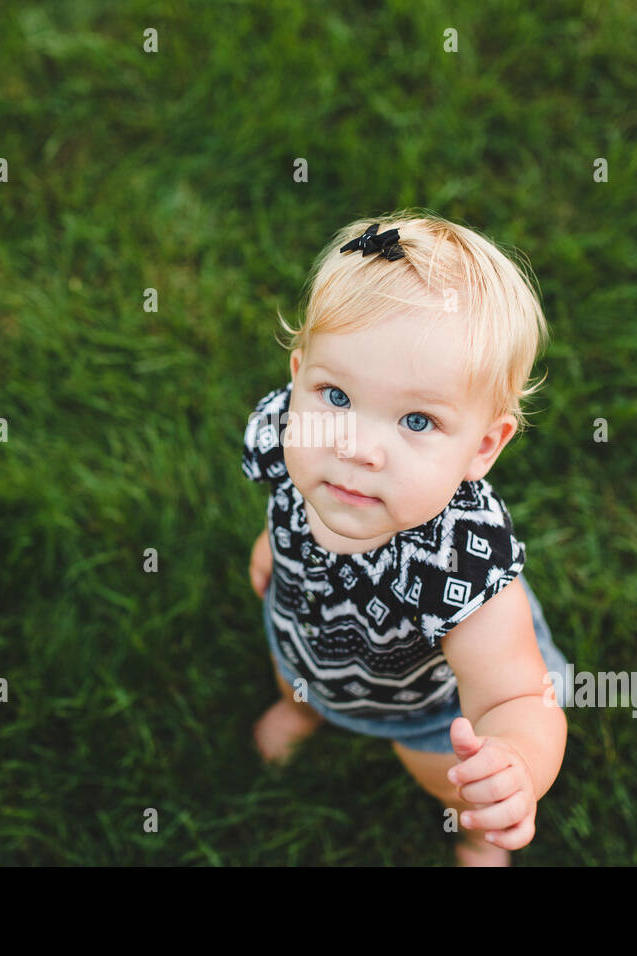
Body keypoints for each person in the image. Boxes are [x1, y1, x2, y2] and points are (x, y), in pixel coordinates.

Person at [243, 210, 570, 866]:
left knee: (454, 784)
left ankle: (479, 837)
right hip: (310, 640)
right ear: (300, 374)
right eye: (335, 395)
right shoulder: (292, 435)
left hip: (426, 709)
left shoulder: (460, 572)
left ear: (482, 447)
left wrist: (514, 764)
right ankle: (307, 710)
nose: (357, 447)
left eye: (416, 419)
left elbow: (513, 697)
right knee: (296, 673)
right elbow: (288, 504)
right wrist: (271, 546)